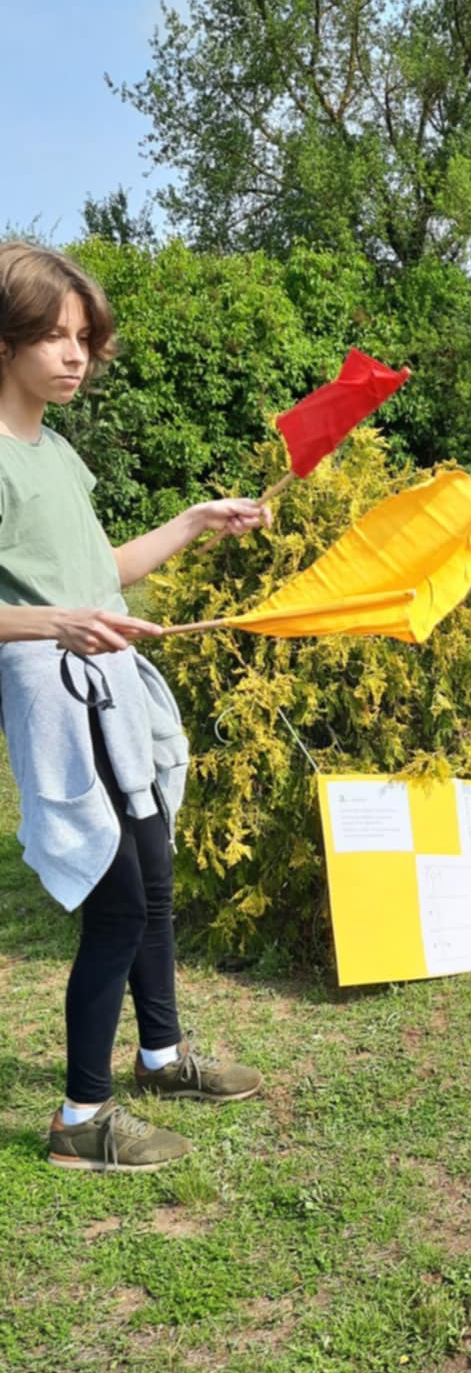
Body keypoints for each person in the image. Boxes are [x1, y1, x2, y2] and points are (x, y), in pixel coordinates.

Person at [0, 240, 268, 1171]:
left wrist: (194, 521)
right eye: (53, 336)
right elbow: (51, 604)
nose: (75, 355)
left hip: (109, 689)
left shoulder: (56, 451)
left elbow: (97, 572)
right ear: (4, 340)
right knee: (116, 904)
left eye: (84, 337)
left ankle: (160, 1055)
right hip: (57, 703)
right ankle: (81, 1118)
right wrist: (56, 623)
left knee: (153, 877)